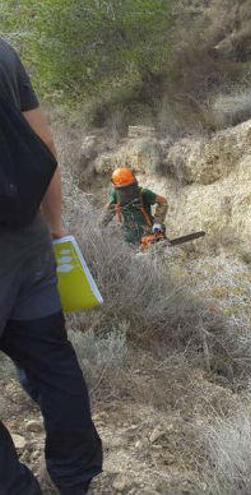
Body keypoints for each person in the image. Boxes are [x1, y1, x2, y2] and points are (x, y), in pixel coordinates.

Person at [0, 39, 102, 494]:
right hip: (27, 240)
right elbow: (43, 142)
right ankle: (76, 477)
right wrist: (56, 225)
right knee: (52, 362)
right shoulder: (2, 51)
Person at [99, 167, 168, 247]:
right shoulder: (116, 196)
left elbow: (163, 202)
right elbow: (108, 213)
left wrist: (157, 222)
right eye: (125, 189)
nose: (129, 191)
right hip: (128, 240)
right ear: (118, 188)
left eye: (130, 187)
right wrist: (99, 228)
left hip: (147, 235)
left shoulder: (143, 193)